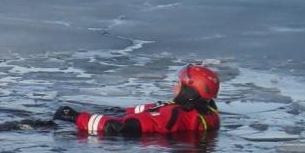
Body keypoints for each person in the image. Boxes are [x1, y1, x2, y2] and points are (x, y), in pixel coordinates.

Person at [54, 64, 221, 138]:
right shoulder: (210, 114)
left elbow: (119, 127)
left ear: (189, 92)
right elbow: (145, 111)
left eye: (179, 82)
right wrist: (120, 112)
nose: (175, 85)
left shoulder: (172, 115)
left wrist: (75, 117)